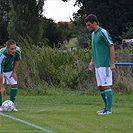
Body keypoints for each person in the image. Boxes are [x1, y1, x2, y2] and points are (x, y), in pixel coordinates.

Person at [84, 14, 115, 115]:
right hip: (98, 64)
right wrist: (92, 61)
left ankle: (109, 110)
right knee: (101, 87)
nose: (87, 27)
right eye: (86, 25)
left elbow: (111, 46)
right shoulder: (93, 34)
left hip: (105, 64)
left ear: (94, 23)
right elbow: (95, 49)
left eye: (89, 25)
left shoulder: (103, 32)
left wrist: (112, 63)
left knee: (106, 86)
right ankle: (105, 107)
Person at [0, 39, 21, 111]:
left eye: (15, 48)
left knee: (14, 84)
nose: (14, 50)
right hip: (1, 70)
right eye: (12, 49)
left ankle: (12, 105)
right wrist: (2, 86)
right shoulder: (1, 56)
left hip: (9, 69)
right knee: (0, 87)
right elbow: (0, 72)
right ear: (7, 49)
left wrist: (14, 72)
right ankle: (0, 106)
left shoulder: (17, 51)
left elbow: (17, 60)